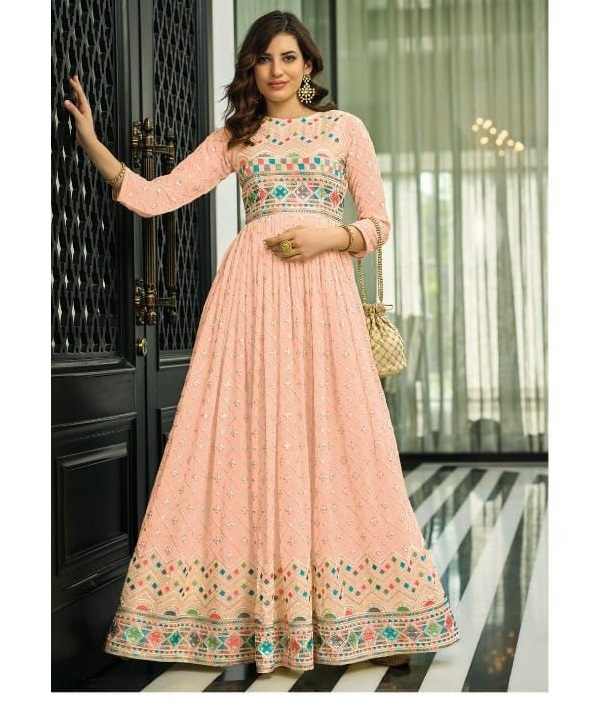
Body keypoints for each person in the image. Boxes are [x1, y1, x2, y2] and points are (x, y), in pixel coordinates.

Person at [64, 10, 460, 675]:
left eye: (288, 57)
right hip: (249, 302)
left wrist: (330, 236)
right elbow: (157, 196)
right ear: (251, 67)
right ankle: (243, 618)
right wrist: (92, 141)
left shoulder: (344, 129)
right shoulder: (236, 136)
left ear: (308, 66)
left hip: (324, 300)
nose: (276, 69)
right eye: (264, 58)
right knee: (244, 440)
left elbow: (378, 223)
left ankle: (373, 616)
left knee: (342, 438)